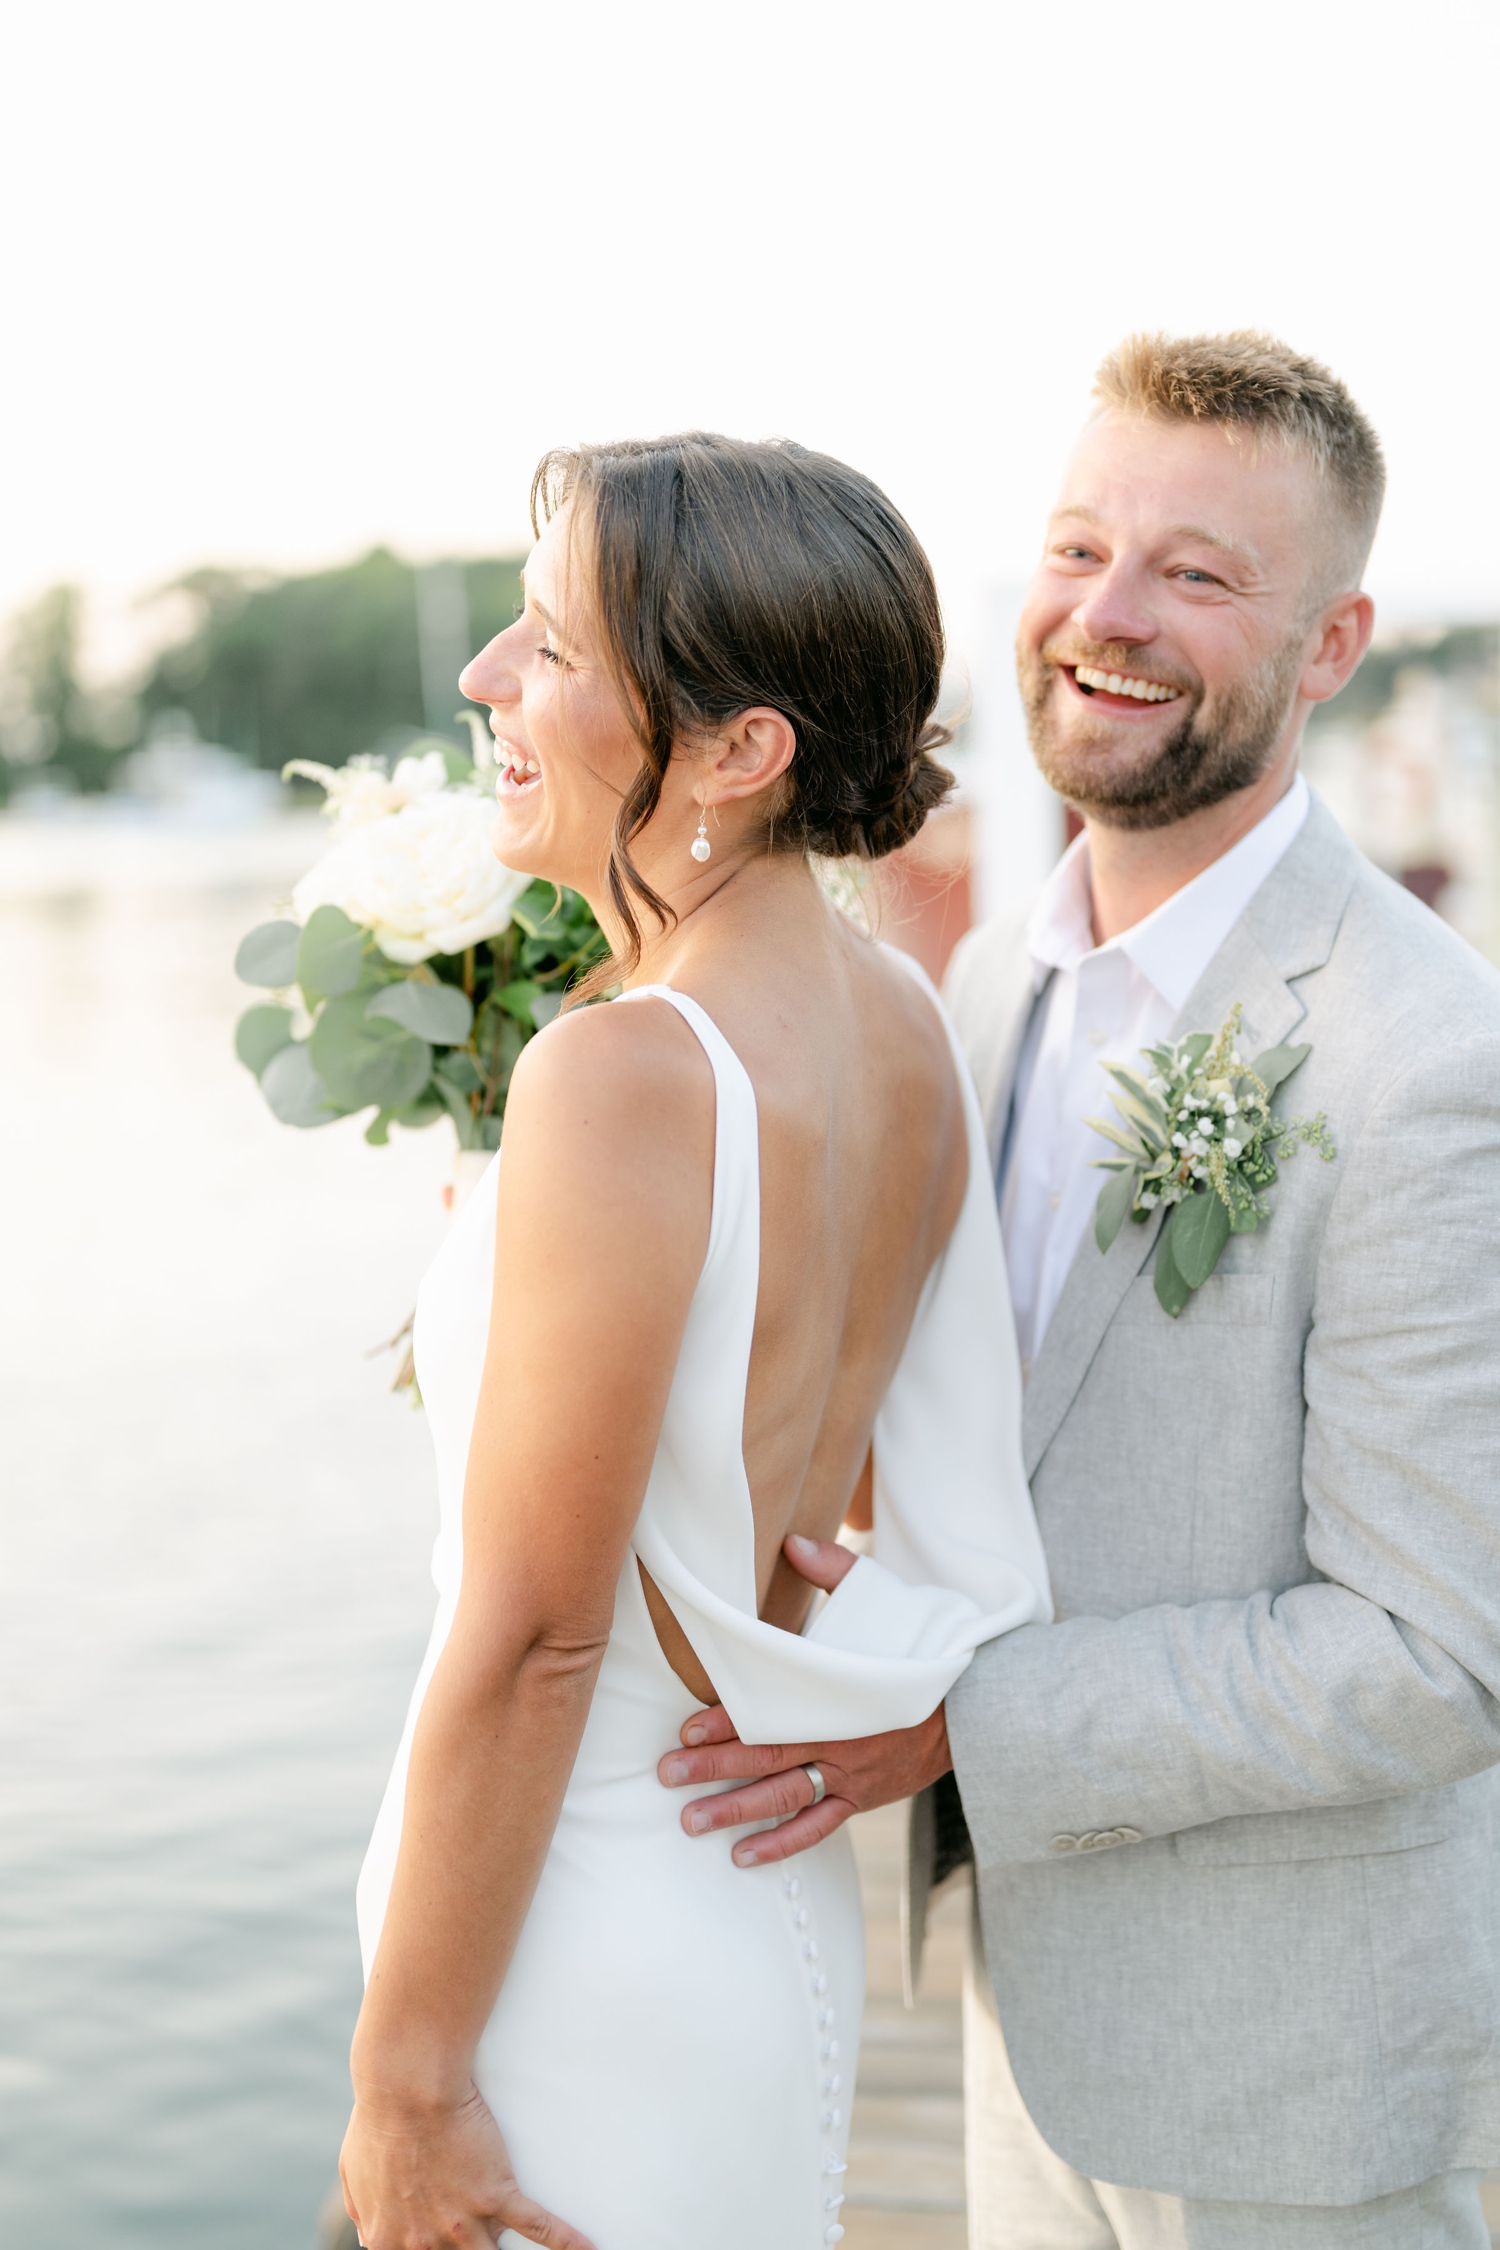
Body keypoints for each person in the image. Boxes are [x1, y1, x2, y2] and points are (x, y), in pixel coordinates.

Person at [664, 335, 1500, 2246]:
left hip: (1294, 2074)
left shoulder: (1429, 1059)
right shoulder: (991, 988)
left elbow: (1437, 1652)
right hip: (1018, 2009)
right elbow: (995, 1435)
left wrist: (965, 1726)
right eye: (1076, 547)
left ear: (1332, 643)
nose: (1108, 615)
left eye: (1197, 573)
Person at [340, 433, 1052, 2250]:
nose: (486, 678)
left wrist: (409, 2078)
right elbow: (820, 1468)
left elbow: (538, 1637)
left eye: (552, 647)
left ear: (741, 751)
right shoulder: (901, 1022)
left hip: (571, 1944)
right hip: (752, 1909)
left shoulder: (624, 1074)